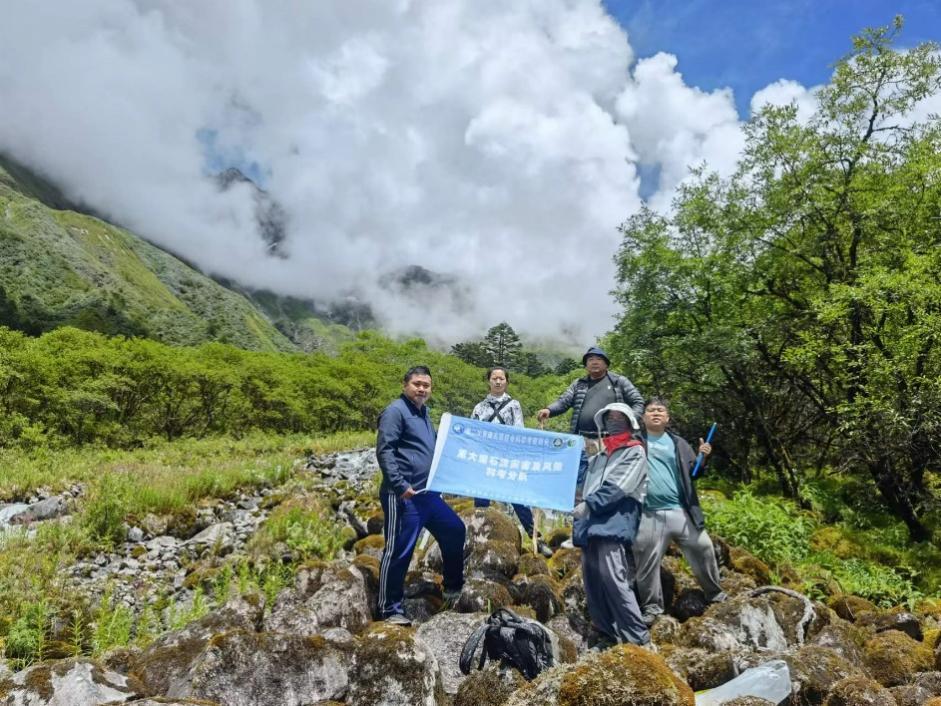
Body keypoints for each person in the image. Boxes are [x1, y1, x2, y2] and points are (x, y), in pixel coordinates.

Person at [376, 365, 466, 626]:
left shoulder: (423, 412)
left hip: (427, 494)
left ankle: (452, 586)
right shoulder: (396, 411)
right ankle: (389, 608)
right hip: (404, 494)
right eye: (417, 384)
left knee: (455, 530)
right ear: (405, 385)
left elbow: (435, 448)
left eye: (426, 385)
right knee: (398, 550)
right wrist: (399, 484)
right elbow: (385, 450)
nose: (422, 389)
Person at [632, 397, 727, 626]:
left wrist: (703, 457)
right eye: (651, 410)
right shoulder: (635, 441)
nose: (655, 413)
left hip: (679, 510)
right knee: (646, 560)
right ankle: (652, 607)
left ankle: (715, 594)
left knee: (703, 547)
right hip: (648, 512)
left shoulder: (679, 444)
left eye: (660, 410)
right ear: (643, 418)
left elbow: (693, 473)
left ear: (667, 418)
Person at [572, 402, 651, 648]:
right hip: (590, 521)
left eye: (619, 417)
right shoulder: (599, 455)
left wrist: (589, 504)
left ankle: (638, 639)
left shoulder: (634, 451)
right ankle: (606, 633)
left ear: (629, 423)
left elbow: (620, 486)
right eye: (609, 418)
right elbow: (583, 484)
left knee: (613, 578)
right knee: (592, 579)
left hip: (614, 518)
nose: (613, 421)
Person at [470, 367, 552, 558]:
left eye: (501, 379)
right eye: (494, 378)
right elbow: (472, 432)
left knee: (519, 500)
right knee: (481, 501)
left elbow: (519, 431)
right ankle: (477, 539)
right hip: (485, 460)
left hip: (507, 460)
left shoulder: (513, 405)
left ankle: (537, 540)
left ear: (506, 382)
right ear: (488, 381)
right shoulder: (479, 407)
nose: (498, 382)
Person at [537, 346, 644, 475]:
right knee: (580, 477)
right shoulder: (579, 384)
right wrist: (549, 410)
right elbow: (563, 401)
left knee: (605, 477)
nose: (594, 362)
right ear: (586, 366)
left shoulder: (618, 381)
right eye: (590, 359)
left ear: (606, 364)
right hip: (583, 441)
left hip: (610, 440)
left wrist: (629, 421)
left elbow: (638, 402)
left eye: (598, 359)